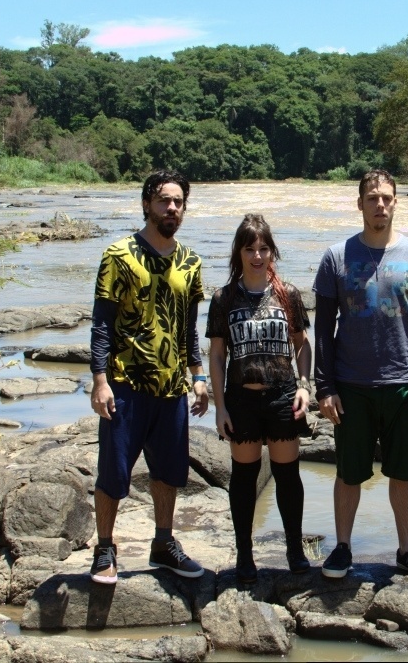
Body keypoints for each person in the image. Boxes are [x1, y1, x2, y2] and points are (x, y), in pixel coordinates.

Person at [313, 169, 408, 581]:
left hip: (404, 383)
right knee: (348, 473)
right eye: (372, 198)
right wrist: (325, 386)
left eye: (387, 197)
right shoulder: (336, 256)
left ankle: (407, 550)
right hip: (351, 387)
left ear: (395, 202)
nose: (380, 204)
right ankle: (342, 548)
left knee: (404, 472)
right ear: (360, 204)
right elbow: (323, 329)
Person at [89, 170, 209, 584]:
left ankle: (164, 544)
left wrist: (199, 376)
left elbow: (189, 328)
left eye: (178, 202)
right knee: (114, 471)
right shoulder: (118, 255)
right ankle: (104, 549)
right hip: (125, 384)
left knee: (170, 472)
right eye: (164, 201)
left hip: (172, 386)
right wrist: (99, 380)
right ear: (147, 205)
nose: (171, 208)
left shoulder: (190, 262)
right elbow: (101, 322)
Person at [206, 214, 312, 585]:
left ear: (272, 251)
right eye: (249, 248)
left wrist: (304, 385)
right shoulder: (224, 298)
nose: (257, 255)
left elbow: (302, 345)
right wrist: (219, 406)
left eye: (263, 248)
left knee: (288, 477)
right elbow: (217, 355)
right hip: (241, 401)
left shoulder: (288, 294)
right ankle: (245, 553)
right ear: (239, 251)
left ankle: (295, 550)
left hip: (283, 396)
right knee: (244, 478)